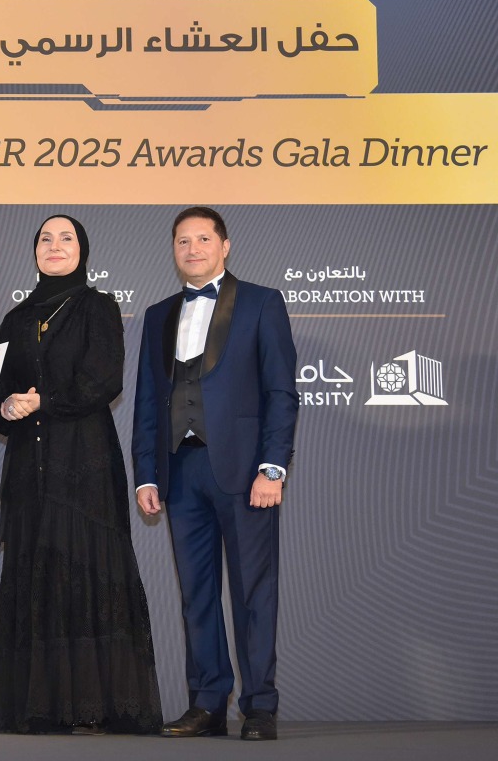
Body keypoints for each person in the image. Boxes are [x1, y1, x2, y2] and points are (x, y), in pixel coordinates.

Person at [0, 215, 163, 735]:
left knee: (86, 573)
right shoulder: (16, 319)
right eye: (44, 239)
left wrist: (43, 402)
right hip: (27, 475)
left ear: (82, 250)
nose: (54, 246)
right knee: (34, 573)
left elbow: (102, 379)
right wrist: (8, 407)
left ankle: (94, 706)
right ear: (33, 252)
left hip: (82, 466)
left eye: (66, 239)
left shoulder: (97, 307)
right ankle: (37, 708)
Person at [132, 206, 298, 741]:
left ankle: (260, 706)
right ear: (174, 250)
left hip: (246, 472)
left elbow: (280, 394)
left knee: (254, 592)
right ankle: (206, 703)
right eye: (183, 240)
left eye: (204, 238)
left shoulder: (261, 303)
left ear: (225, 246)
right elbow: (146, 405)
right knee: (196, 594)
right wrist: (146, 474)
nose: (193, 248)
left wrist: (272, 468)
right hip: (180, 472)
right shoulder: (157, 315)